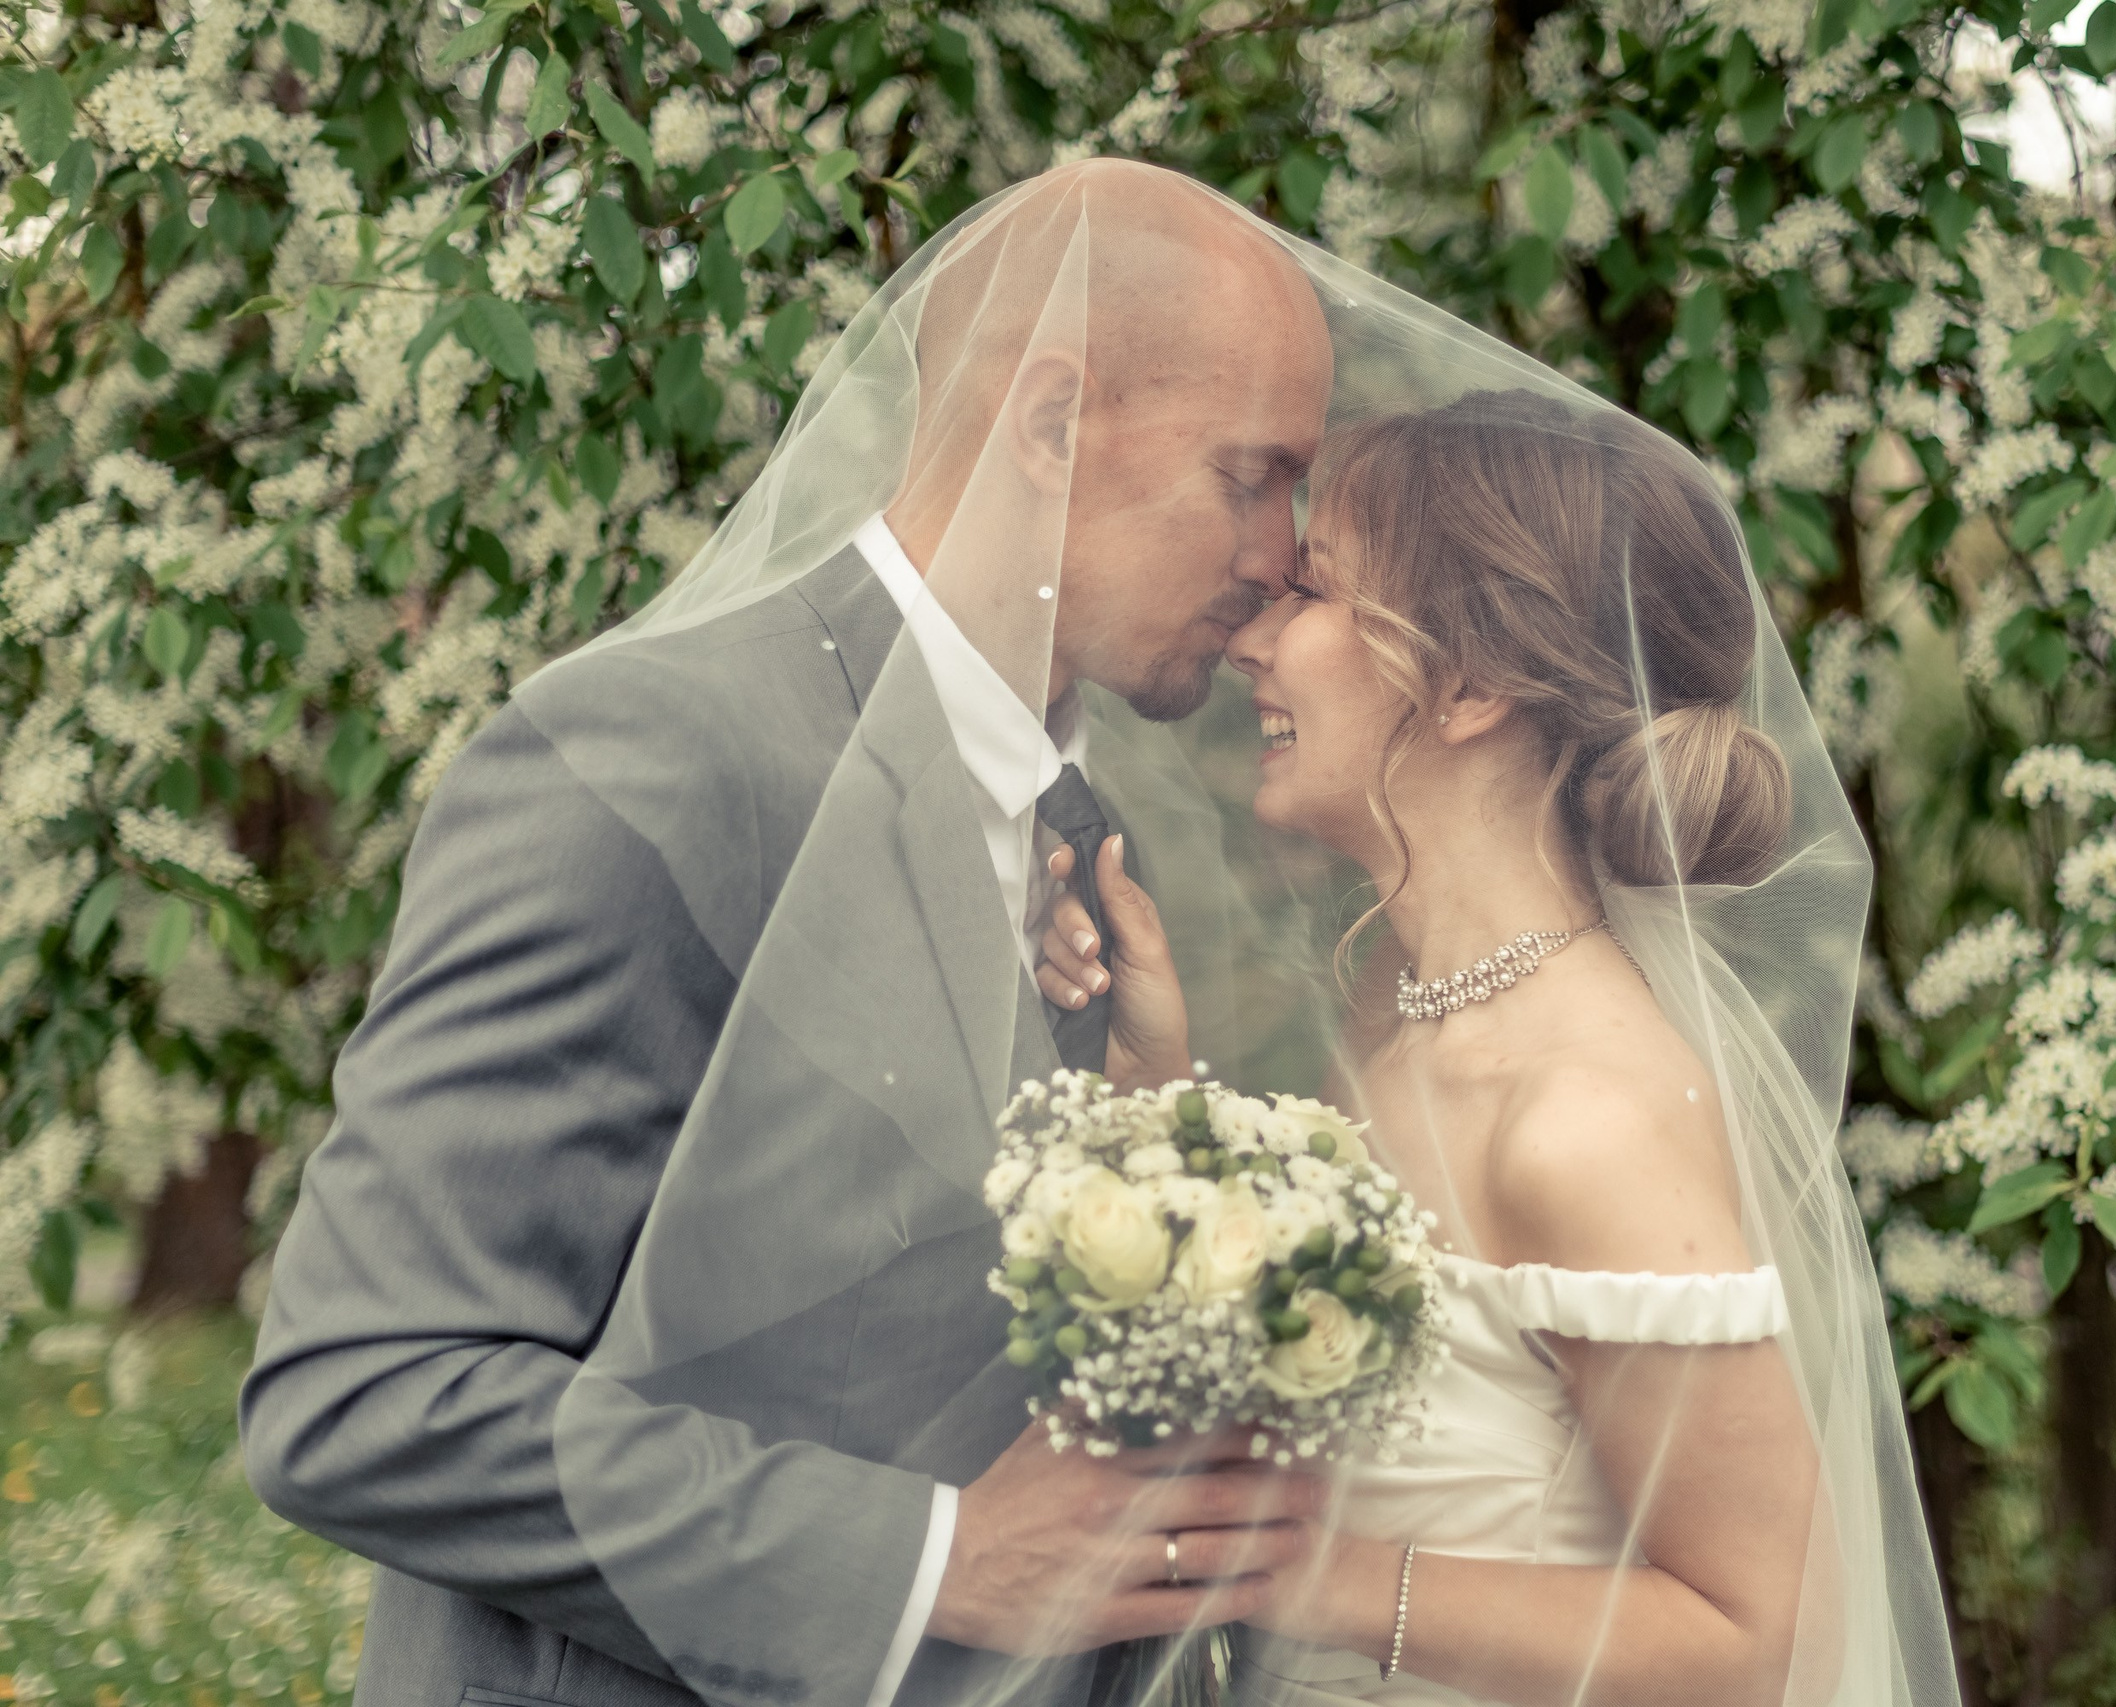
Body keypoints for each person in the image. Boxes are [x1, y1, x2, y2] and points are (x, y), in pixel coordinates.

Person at [239, 161, 1333, 1707]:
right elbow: (362, 1393)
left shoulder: (1102, 844)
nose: (1285, 549)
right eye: (1250, 473)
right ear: (1051, 420)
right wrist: (931, 1561)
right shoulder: (650, 756)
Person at [1037, 392, 1959, 1707]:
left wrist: (1318, 1579)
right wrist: (1154, 1097)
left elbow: (1773, 1640)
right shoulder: (1406, 1008)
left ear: (1467, 686)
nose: (1257, 638)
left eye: (1315, 592)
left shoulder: (1588, 1114)